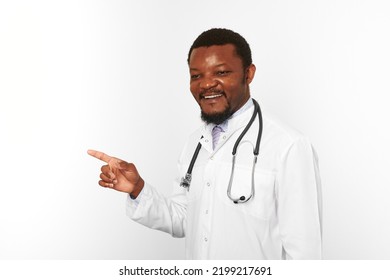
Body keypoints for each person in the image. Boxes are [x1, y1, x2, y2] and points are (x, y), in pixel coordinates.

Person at [88, 28, 322, 260]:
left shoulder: (289, 146)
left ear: (248, 74)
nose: (206, 84)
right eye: (196, 75)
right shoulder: (195, 144)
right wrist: (138, 188)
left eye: (221, 72)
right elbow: (184, 220)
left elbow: (305, 254)